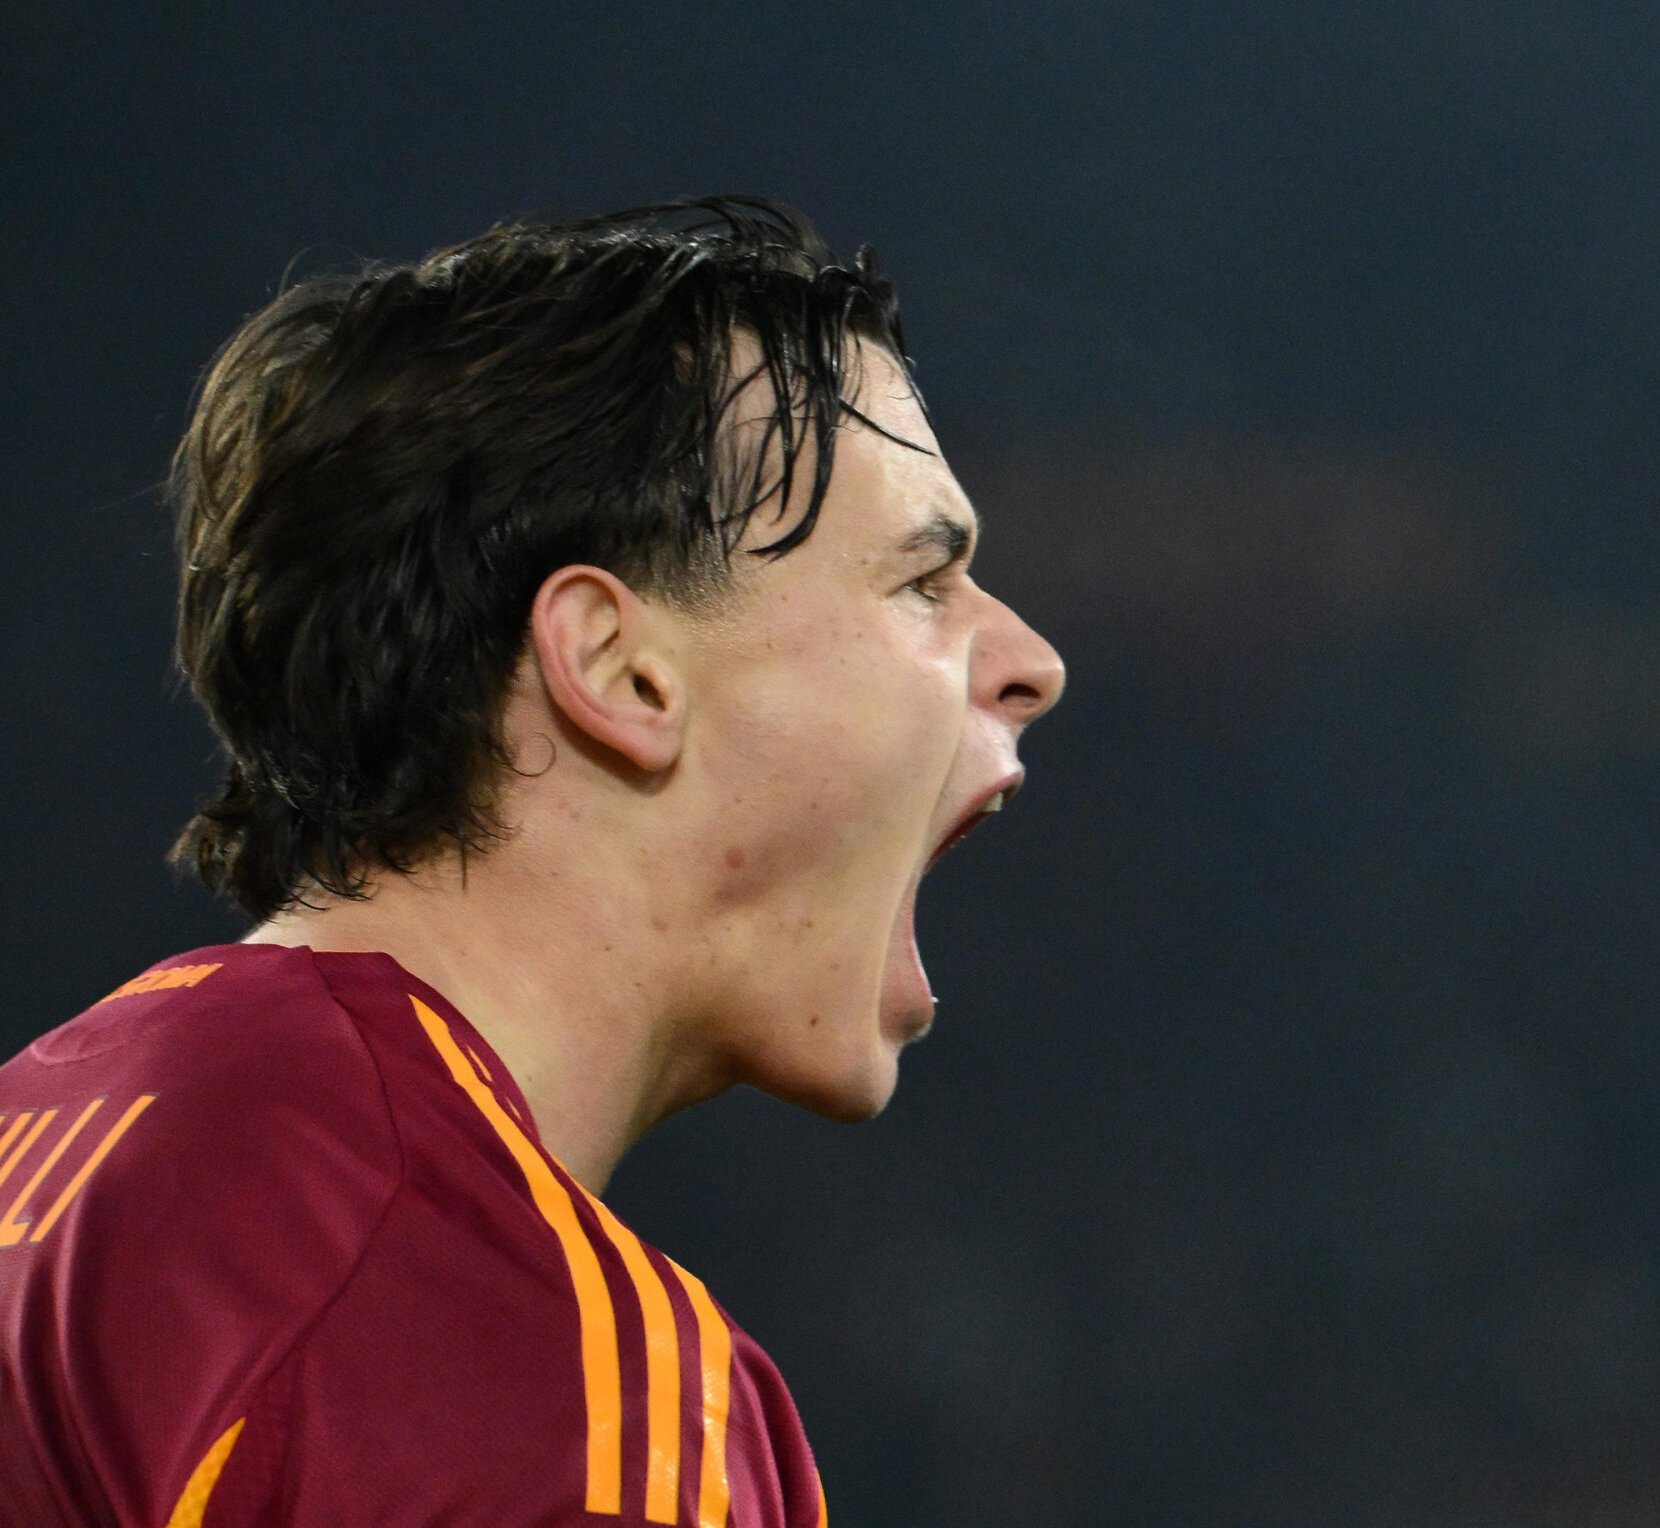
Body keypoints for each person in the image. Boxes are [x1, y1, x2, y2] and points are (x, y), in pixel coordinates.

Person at [0, 199, 1065, 1526]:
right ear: (621, 670)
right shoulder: (500, 1335)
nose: (1031, 662)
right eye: (921, 584)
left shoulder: (66, 1135)